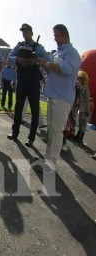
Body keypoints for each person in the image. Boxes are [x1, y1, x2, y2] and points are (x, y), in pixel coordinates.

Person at [35, 24, 82, 174]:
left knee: (56, 131)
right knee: (52, 130)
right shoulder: (58, 52)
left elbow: (66, 69)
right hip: (53, 94)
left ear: (65, 35)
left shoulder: (73, 53)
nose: (54, 38)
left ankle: (50, 164)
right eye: (54, 35)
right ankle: (47, 160)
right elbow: (54, 70)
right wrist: (45, 65)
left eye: (57, 36)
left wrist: (48, 63)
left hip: (63, 98)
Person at [6, 23, 50, 147]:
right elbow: (10, 57)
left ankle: (31, 138)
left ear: (31, 32)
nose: (24, 34)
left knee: (35, 110)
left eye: (26, 31)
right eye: (23, 32)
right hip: (21, 80)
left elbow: (48, 60)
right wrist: (18, 60)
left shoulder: (38, 47)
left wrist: (37, 60)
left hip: (33, 81)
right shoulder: (19, 45)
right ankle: (15, 132)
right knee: (18, 107)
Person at [72, 70, 91, 144]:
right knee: (80, 122)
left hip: (85, 109)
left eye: (80, 78)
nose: (79, 79)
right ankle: (78, 135)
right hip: (82, 108)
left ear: (83, 79)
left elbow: (87, 100)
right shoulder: (82, 87)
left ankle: (81, 137)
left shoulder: (86, 88)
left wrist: (87, 110)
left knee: (83, 123)